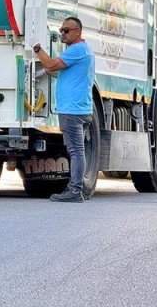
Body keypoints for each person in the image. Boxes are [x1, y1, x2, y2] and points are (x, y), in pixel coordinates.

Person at [32, 16, 95, 203]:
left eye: (66, 31)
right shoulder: (84, 51)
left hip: (72, 110)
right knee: (78, 150)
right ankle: (78, 189)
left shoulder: (76, 50)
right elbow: (55, 71)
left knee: (76, 151)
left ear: (78, 32)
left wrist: (37, 49)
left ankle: (74, 191)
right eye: (61, 31)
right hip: (81, 109)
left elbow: (51, 64)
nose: (62, 34)